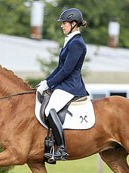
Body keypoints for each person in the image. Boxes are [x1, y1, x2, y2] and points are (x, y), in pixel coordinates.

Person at [37, 8, 89, 160]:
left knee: (49, 110)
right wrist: (46, 81)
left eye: (64, 23)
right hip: (64, 84)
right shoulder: (71, 41)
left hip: (71, 86)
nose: (62, 25)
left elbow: (67, 70)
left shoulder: (77, 43)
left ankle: (61, 148)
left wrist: (49, 84)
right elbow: (59, 68)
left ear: (74, 24)